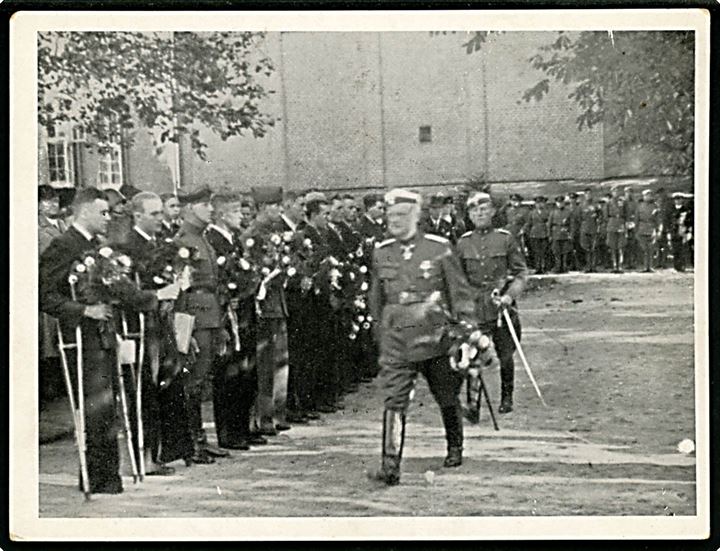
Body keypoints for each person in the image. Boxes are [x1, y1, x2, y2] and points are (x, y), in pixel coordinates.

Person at [39, 187, 160, 494]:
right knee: (95, 408)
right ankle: (98, 476)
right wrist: (83, 310)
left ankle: (107, 476)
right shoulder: (63, 245)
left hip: (106, 333)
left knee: (108, 407)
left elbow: (116, 288)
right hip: (81, 336)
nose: (108, 219)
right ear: (84, 212)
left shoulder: (100, 246)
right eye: (103, 213)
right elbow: (43, 294)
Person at [368, 188, 478, 486]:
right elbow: (376, 299)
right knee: (394, 399)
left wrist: (466, 330)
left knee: (445, 395)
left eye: (402, 215)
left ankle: (454, 447)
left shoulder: (439, 248)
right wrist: (382, 332)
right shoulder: (382, 251)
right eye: (391, 216)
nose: (396, 221)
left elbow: (460, 293)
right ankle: (390, 465)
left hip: (435, 337)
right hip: (397, 341)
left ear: (416, 217)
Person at [118, 191, 189, 473]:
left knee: (168, 382)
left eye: (162, 213)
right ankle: (145, 456)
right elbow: (126, 292)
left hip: (163, 324)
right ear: (138, 216)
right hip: (143, 327)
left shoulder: (161, 244)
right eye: (155, 214)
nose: (161, 219)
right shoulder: (127, 247)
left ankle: (165, 450)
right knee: (145, 389)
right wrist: (158, 295)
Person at [173, 186, 230, 464]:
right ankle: (192, 442)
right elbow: (181, 288)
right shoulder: (184, 241)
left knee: (202, 379)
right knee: (192, 380)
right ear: (189, 209)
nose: (211, 209)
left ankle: (200, 440)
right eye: (204, 205)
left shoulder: (201, 239)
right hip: (195, 315)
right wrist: (187, 328)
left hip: (210, 312)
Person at [456, 191, 527, 414]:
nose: (480, 213)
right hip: (475, 308)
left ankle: (507, 398)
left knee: (505, 354)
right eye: (475, 210)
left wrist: (509, 296)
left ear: (493, 212)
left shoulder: (505, 239)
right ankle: (473, 402)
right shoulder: (463, 243)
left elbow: (521, 272)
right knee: (472, 355)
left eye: (484, 209)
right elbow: (457, 279)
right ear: (469, 215)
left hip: (500, 308)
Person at [204, 193, 264, 449]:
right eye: (237, 212)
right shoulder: (214, 240)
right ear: (222, 214)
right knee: (229, 374)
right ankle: (229, 432)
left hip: (245, 312)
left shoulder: (235, 241)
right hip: (229, 314)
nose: (242, 217)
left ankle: (243, 426)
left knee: (246, 372)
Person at [243, 186, 292, 435]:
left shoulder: (275, 232)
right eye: (275, 206)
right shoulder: (253, 234)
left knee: (279, 361)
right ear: (262, 208)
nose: (279, 210)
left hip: (277, 303)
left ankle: (277, 412)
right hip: (264, 306)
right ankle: (264, 417)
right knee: (264, 363)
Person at [38, 185, 68, 403]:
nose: (52, 205)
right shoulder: (38, 229)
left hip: (67, 285)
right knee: (49, 338)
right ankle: (52, 384)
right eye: (47, 201)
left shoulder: (64, 225)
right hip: (51, 286)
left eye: (55, 200)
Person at [635, 190, 660, 272]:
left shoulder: (655, 206)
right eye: (646, 195)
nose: (647, 197)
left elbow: (658, 219)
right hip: (642, 229)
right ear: (643, 196)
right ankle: (645, 266)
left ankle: (650, 266)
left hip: (651, 229)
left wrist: (658, 230)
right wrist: (636, 230)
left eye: (649, 195)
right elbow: (636, 219)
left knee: (651, 249)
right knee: (644, 249)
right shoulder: (639, 206)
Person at [524, 196, 550, 274]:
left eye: (541, 203)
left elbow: (549, 223)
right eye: (538, 203)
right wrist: (527, 232)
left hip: (544, 234)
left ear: (544, 203)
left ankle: (544, 267)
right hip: (534, 234)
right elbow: (528, 223)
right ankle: (537, 267)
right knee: (536, 252)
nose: (539, 205)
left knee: (544, 252)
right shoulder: (532, 213)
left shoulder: (547, 212)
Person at [548, 196, 573, 273]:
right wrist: (550, 235)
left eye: (561, 202)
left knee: (565, 251)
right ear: (556, 203)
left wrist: (571, 234)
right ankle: (557, 266)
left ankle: (564, 267)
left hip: (565, 233)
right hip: (556, 233)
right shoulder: (553, 212)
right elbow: (549, 225)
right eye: (558, 203)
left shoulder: (568, 212)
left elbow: (571, 224)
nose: (560, 204)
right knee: (556, 251)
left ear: (563, 203)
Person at [605, 187, 627, 273]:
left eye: (617, 191)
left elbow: (626, 213)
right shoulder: (609, 202)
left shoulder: (623, 202)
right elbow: (606, 215)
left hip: (621, 225)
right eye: (614, 191)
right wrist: (611, 222)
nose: (616, 193)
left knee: (620, 247)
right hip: (612, 225)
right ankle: (614, 265)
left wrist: (624, 223)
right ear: (611, 192)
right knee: (613, 247)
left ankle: (620, 266)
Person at [668, 192, 691, 272]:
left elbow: (689, 221)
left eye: (679, 199)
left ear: (682, 200)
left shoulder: (686, 209)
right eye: (676, 199)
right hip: (673, 231)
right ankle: (676, 266)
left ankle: (682, 266)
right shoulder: (671, 209)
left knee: (682, 249)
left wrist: (688, 231)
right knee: (675, 249)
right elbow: (669, 221)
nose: (677, 201)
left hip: (683, 231)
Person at [578, 190, 600, 272]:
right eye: (587, 194)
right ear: (584, 195)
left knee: (594, 248)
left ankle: (593, 266)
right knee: (586, 248)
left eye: (590, 194)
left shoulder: (596, 205)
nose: (588, 196)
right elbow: (579, 218)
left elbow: (600, 216)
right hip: (585, 228)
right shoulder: (581, 206)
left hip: (594, 228)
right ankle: (588, 266)